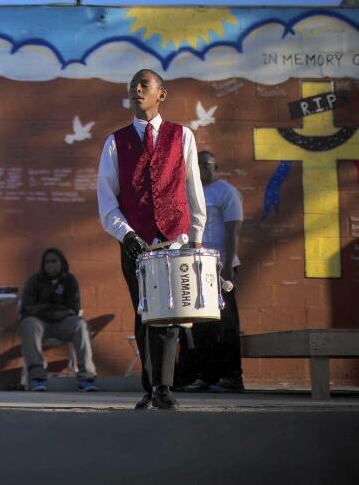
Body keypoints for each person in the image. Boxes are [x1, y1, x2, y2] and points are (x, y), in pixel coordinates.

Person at [97, 68, 206, 410]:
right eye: (133, 85)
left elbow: (193, 190)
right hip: (136, 242)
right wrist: (124, 233)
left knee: (171, 314)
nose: (137, 89)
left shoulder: (182, 136)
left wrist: (196, 239)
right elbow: (106, 197)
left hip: (175, 238)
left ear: (162, 94)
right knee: (144, 311)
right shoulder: (116, 142)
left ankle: (164, 388)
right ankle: (150, 386)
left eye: (144, 84)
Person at [178, 151, 245, 392]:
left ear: (216, 166)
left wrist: (227, 268)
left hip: (219, 266)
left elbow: (233, 231)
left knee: (225, 323)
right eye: (197, 165)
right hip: (194, 265)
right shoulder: (189, 191)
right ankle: (204, 376)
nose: (202, 169)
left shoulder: (226, 192)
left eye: (207, 165)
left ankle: (231, 376)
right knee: (198, 324)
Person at [18, 248, 97, 392]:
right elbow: (27, 309)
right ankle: (37, 377)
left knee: (80, 324)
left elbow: (73, 309)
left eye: (54, 261)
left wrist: (45, 308)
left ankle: (86, 377)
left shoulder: (70, 281)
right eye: (47, 262)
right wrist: (53, 310)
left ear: (62, 263)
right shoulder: (34, 281)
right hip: (41, 324)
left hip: (63, 323)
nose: (50, 265)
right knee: (28, 324)